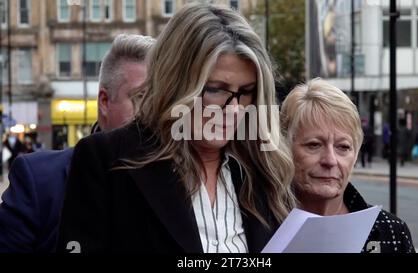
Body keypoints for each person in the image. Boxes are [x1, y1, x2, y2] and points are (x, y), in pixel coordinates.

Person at [57, 3, 296, 253]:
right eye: (216, 89)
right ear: (176, 82)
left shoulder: (267, 170)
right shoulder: (104, 160)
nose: (234, 109)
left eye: (246, 92)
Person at [0, 34, 155, 253]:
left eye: (161, 102)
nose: (153, 114)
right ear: (104, 101)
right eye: (141, 98)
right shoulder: (39, 181)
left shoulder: (184, 186)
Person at [281, 78, 415, 253]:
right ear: (284, 148)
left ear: (356, 154)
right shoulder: (253, 227)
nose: (330, 160)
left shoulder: (391, 233)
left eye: (343, 147)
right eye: (314, 145)